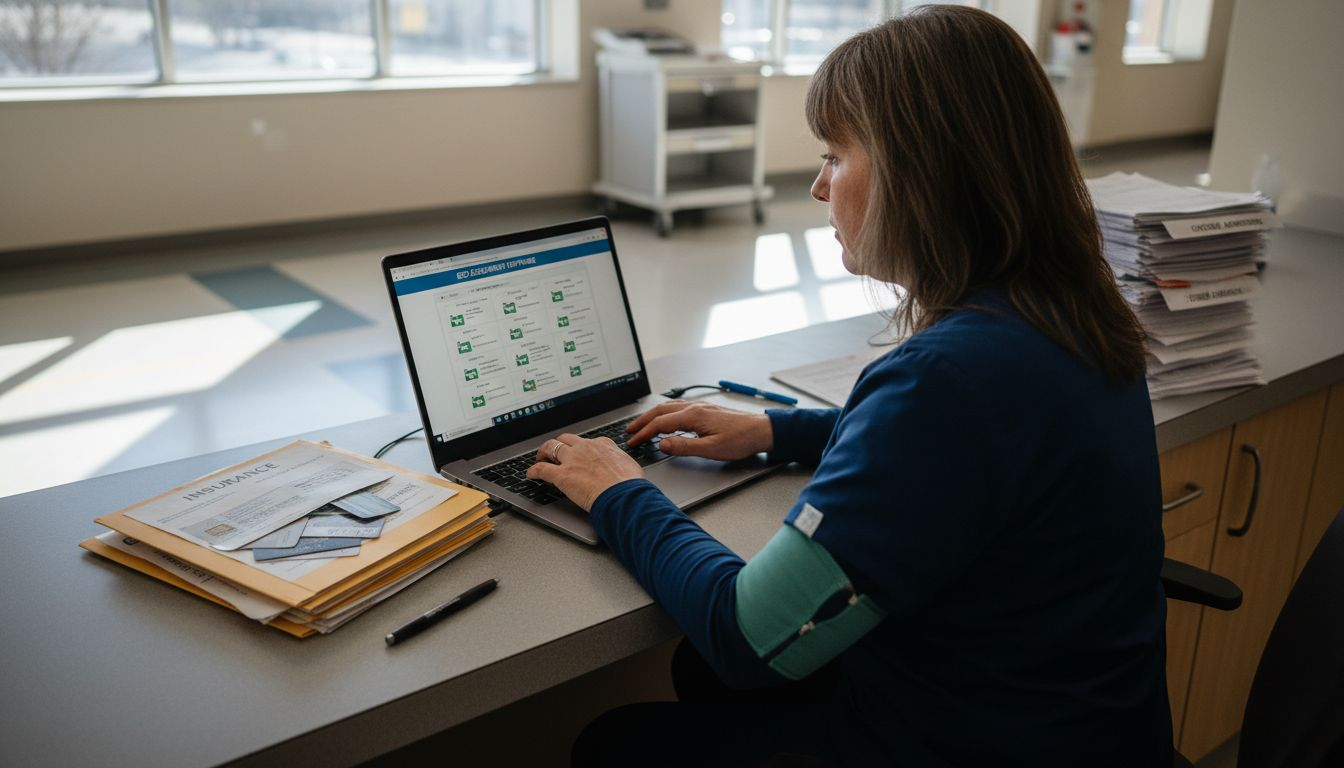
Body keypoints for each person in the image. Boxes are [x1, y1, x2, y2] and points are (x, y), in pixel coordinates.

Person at [527, 6, 1170, 766]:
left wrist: (619, 493)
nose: (818, 186)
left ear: (920, 171)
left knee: (620, 739)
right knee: (694, 670)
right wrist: (775, 431)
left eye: (835, 155)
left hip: (974, 741)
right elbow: (978, 458)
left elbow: (748, 638)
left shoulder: (947, 380)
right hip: (1077, 726)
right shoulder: (1069, 315)